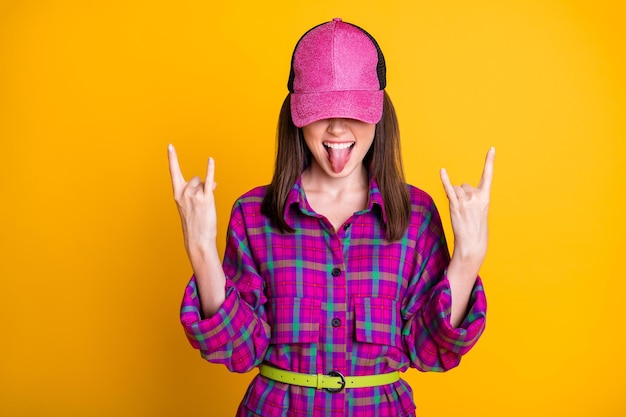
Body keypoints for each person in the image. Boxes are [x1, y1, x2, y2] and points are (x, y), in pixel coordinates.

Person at [168, 18, 494, 417]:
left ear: (379, 114)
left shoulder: (416, 215)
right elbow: (239, 351)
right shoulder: (254, 214)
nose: (338, 127)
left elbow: (429, 350)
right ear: (296, 115)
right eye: (322, 110)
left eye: (354, 110)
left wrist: (469, 257)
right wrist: (200, 248)